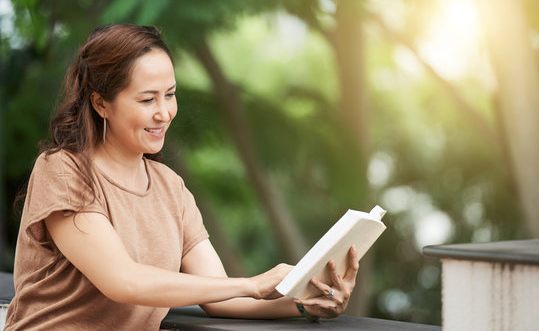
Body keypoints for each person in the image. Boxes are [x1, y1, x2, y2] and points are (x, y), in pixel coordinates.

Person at [4, 24, 360, 330]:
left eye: (170, 95)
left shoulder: (170, 188)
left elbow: (220, 296)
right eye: (147, 100)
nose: (164, 113)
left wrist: (305, 303)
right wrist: (253, 283)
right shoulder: (63, 170)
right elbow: (122, 281)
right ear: (101, 104)